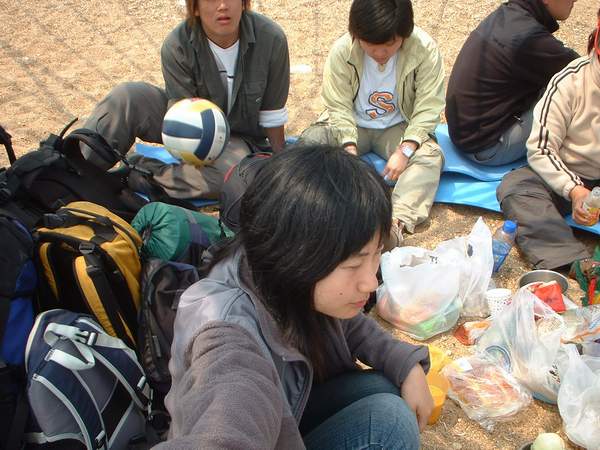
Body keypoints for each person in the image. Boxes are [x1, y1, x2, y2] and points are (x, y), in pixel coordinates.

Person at [156, 146, 433, 449]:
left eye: (376, 254)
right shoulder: (227, 336)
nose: (370, 282)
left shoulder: (278, 269)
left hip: (288, 413)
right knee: (391, 423)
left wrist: (407, 365)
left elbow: (349, 324)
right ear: (296, 256)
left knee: (384, 386)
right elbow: (227, 421)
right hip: (266, 425)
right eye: (353, 265)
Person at [81, 0, 289, 199]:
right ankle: (75, 169)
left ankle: (138, 173)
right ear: (195, 8)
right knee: (127, 97)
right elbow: (183, 115)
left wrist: (281, 166)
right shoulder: (177, 44)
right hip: (187, 122)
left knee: (237, 176)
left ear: (244, 3)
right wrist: (191, 152)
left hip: (238, 139)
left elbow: (272, 114)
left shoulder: (271, 39)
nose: (223, 6)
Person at [298, 0, 445, 247]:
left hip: (398, 126)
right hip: (352, 122)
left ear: (404, 35)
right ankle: (309, 212)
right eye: (371, 46)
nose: (380, 54)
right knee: (310, 144)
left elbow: (429, 106)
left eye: (389, 45)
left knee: (430, 156)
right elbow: (338, 105)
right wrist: (348, 147)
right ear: (356, 35)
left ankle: (394, 226)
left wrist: (406, 149)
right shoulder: (343, 50)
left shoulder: (424, 49)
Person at [497, 11, 600, 271]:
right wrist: (575, 190)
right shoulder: (570, 81)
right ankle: (576, 263)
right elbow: (540, 148)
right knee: (517, 187)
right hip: (568, 174)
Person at [446, 0, 579, 166]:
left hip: (464, 135)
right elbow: (585, 76)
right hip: (488, 148)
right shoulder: (529, 38)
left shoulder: (508, 15)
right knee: (573, 98)